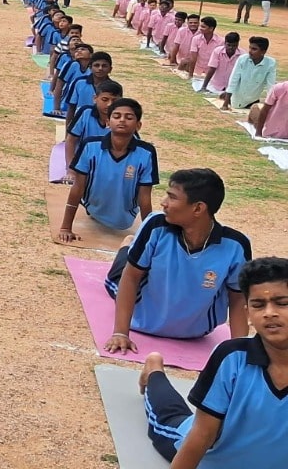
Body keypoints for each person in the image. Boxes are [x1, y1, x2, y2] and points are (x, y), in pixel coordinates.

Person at [137, 256, 288, 467]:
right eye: (258, 305)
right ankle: (154, 370)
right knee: (167, 419)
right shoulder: (231, 358)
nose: (269, 313)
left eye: (282, 303)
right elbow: (201, 436)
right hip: (210, 458)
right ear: (248, 312)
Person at [103, 169, 250, 354]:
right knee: (118, 275)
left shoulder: (236, 246)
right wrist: (121, 333)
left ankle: (132, 245)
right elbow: (131, 277)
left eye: (172, 197)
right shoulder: (156, 225)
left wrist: (239, 352)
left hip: (196, 332)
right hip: (141, 319)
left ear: (198, 208)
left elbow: (238, 300)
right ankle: (127, 247)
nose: (163, 202)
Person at [57, 99, 158, 242]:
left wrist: (147, 236)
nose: (122, 120)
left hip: (125, 217)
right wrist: (65, 228)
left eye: (129, 117)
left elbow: (145, 197)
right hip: (91, 206)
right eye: (116, 116)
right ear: (108, 122)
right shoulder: (90, 145)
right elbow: (77, 188)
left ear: (138, 125)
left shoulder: (146, 152)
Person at [64, 79, 124, 166]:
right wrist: (70, 168)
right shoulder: (85, 113)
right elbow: (70, 140)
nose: (109, 104)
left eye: (114, 100)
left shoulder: (123, 120)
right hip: (83, 162)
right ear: (95, 99)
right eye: (105, 99)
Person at [221, 37, 276, 111]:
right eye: (250, 48)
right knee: (235, 103)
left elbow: (271, 86)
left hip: (253, 100)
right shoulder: (242, 59)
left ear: (263, 51)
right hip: (237, 100)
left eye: (254, 49)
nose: (250, 51)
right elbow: (233, 80)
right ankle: (226, 96)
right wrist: (225, 104)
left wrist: (271, 106)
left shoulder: (271, 63)